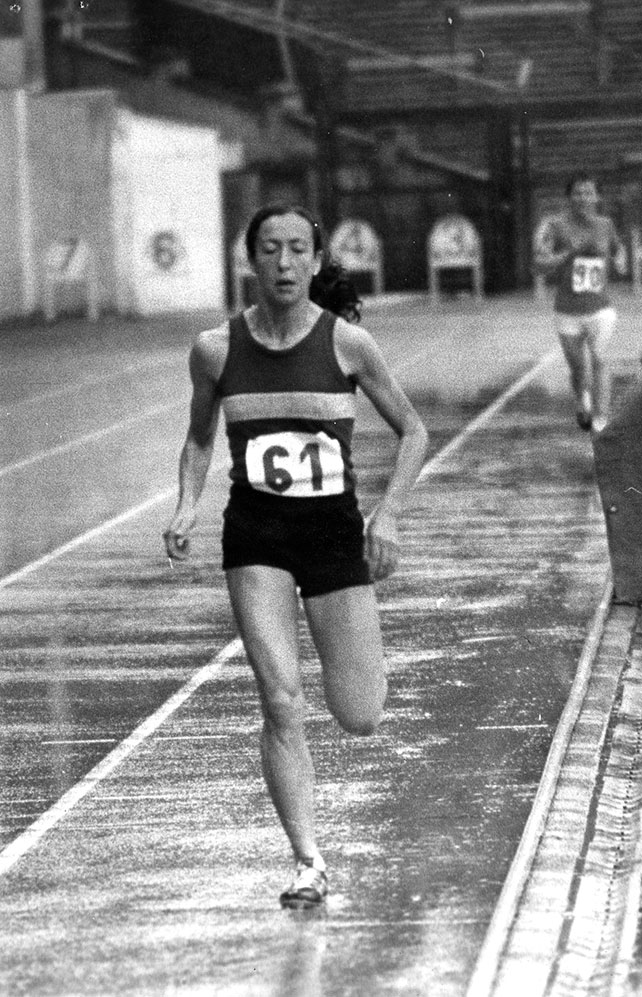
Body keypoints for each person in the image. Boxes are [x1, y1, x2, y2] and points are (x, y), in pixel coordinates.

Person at [163, 204, 430, 908]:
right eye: (271, 250)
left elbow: (414, 430)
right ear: (252, 260)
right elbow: (198, 438)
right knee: (281, 701)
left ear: (315, 261)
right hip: (256, 537)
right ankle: (307, 859)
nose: (284, 263)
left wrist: (390, 512)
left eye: (297, 250)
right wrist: (186, 503)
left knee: (361, 713)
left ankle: (360, 667)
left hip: (334, 538)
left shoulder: (348, 345)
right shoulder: (215, 350)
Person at [533, 174, 628, 433]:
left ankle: (601, 420)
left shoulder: (606, 225)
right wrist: (569, 254)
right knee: (578, 369)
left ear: (597, 197)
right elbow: (540, 266)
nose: (583, 198)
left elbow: (619, 249)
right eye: (578, 193)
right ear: (569, 197)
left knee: (600, 359)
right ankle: (581, 400)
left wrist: (620, 260)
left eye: (589, 192)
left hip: (601, 309)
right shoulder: (556, 226)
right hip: (568, 311)